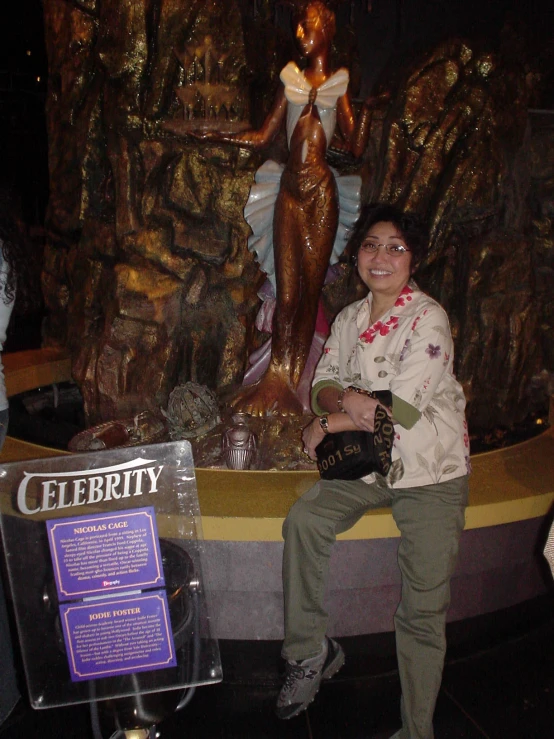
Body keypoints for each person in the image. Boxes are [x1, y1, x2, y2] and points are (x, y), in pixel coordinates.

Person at [276, 203, 471, 739]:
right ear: (357, 254)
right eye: (371, 244)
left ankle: (416, 730)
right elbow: (324, 381)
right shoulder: (349, 318)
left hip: (430, 472)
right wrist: (341, 405)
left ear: (414, 259)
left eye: (396, 247)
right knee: (305, 521)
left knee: (422, 611)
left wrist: (335, 419)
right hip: (367, 467)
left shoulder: (427, 317)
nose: (380, 256)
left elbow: (401, 411)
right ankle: (309, 650)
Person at [192, 0, 384, 416]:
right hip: (290, 192)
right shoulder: (290, 80)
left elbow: (353, 146)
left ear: (327, 31)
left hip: (322, 195)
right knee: (287, 289)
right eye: (298, 26)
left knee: (307, 293)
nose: (301, 33)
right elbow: (263, 136)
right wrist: (217, 136)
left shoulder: (339, 83)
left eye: (308, 25)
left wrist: (366, 113)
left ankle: (294, 381)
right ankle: (275, 378)